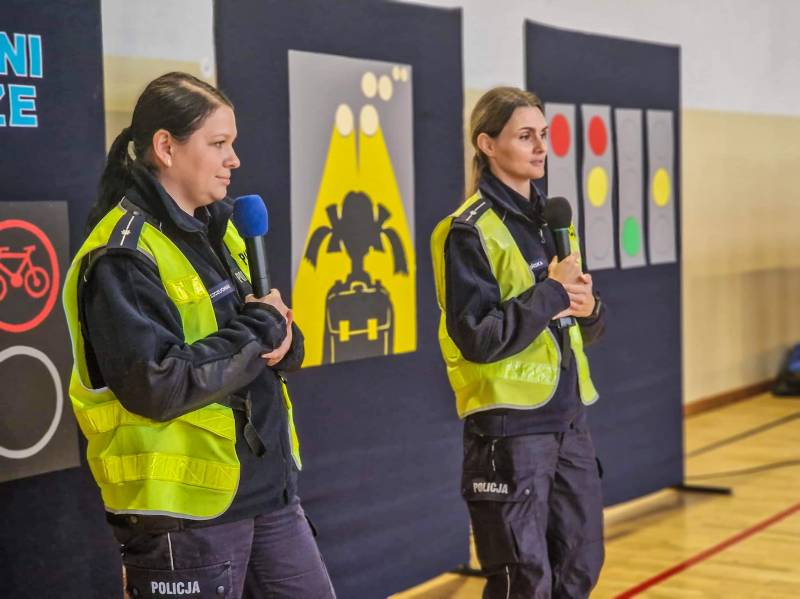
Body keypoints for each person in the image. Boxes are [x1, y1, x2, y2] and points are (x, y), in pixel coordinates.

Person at [62, 72, 335, 598]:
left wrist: (285, 338)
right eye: (218, 144)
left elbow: (262, 331)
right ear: (166, 147)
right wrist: (263, 328)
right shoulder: (122, 255)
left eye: (232, 144)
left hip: (269, 494)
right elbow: (157, 383)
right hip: (185, 519)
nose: (234, 159)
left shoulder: (224, 228)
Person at [430, 87, 607, 598]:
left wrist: (589, 309)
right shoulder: (467, 231)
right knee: (523, 581)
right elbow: (478, 337)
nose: (540, 147)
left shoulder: (552, 222)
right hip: (510, 430)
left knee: (580, 566)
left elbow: (583, 326)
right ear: (487, 144)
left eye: (543, 135)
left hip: (569, 420)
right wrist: (551, 293)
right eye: (525, 135)